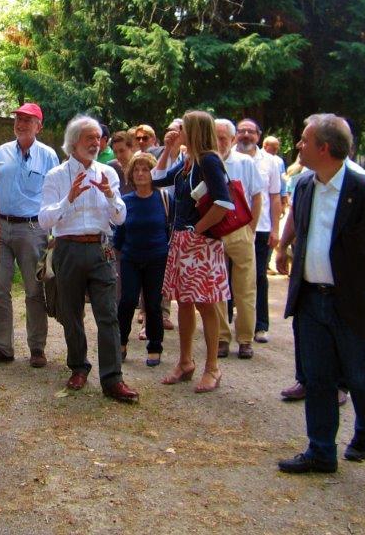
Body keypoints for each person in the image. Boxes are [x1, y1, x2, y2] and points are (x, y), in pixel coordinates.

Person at [275, 114, 365, 474]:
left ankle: (364, 434)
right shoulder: (303, 185)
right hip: (311, 300)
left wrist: (364, 285)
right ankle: (320, 451)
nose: (298, 145)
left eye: (304, 140)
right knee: (317, 378)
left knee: (358, 373)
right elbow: (300, 227)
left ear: (324, 148)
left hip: (350, 302)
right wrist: (285, 250)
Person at [39, 115, 138, 402]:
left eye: (98, 138)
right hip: (67, 248)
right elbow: (44, 220)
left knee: (108, 314)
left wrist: (110, 196)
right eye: (89, 138)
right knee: (71, 313)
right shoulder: (56, 176)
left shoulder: (108, 172)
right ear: (73, 143)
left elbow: (120, 218)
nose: (96, 143)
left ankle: (112, 378)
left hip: (100, 248)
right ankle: (78, 367)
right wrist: (69, 198)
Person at [153, 110, 232, 393]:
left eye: (182, 128)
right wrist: (168, 151)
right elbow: (156, 181)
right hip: (182, 241)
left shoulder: (209, 161)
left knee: (205, 305)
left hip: (201, 243)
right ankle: (185, 362)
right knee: (184, 302)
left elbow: (224, 203)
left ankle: (213, 368)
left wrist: (196, 230)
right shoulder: (188, 162)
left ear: (194, 131)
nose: (178, 131)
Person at [0, 102, 59, 367]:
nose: (21, 123)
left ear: (39, 126)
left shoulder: (49, 156)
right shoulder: (1, 152)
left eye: (28, 120)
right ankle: (3, 347)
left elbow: (55, 195)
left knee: (33, 290)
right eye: (18, 119)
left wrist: (54, 233)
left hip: (32, 229)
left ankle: (37, 348)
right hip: (0, 227)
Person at [113, 152, 172, 366]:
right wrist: (116, 254)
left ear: (152, 173)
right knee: (127, 301)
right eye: (136, 170)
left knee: (153, 304)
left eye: (145, 169)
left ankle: (154, 346)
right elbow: (119, 232)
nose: (140, 173)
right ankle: (120, 343)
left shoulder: (164, 198)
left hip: (157, 258)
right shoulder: (125, 201)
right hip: (130, 258)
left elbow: (170, 230)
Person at [213, 118, 263, 360]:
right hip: (214, 232)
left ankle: (245, 339)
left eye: (223, 137)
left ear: (232, 140)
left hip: (241, 231)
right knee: (218, 288)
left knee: (245, 288)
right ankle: (221, 338)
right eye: (216, 137)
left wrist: (251, 230)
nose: (219, 142)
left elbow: (257, 196)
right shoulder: (206, 161)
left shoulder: (245, 162)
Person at [234, 118, 281, 344]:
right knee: (229, 275)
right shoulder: (226, 157)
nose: (245, 135)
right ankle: (230, 323)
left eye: (250, 131)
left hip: (261, 227)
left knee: (259, 276)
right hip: (232, 227)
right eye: (241, 131)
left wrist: (275, 229)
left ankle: (260, 325)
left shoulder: (271, 162)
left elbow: (274, 197)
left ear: (258, 136)